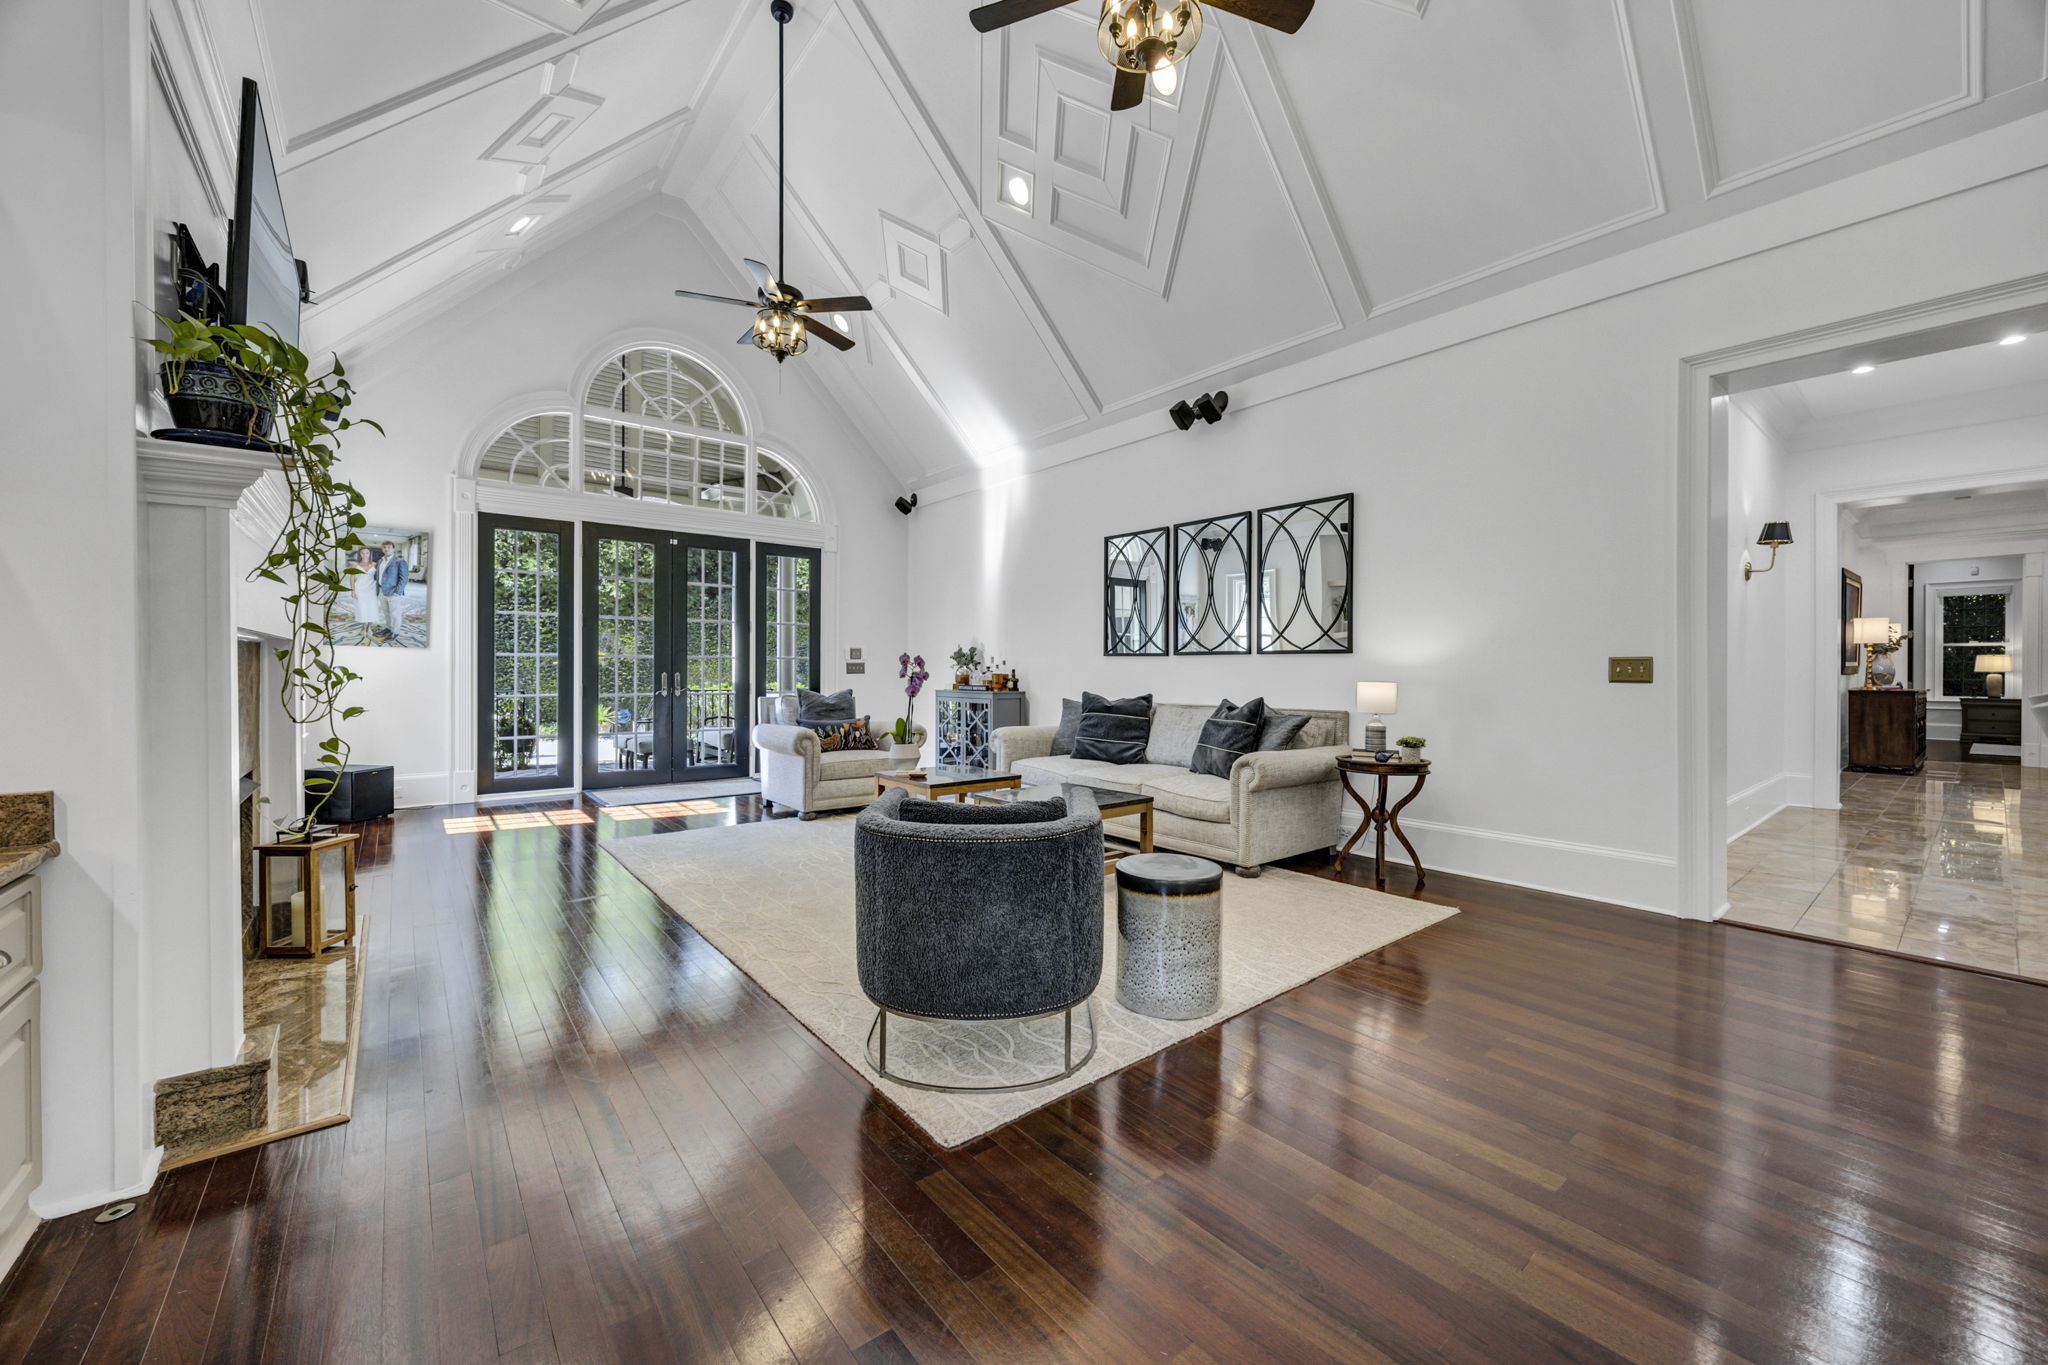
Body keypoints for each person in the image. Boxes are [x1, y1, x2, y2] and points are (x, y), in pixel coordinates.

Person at [376, 539, 410, 642]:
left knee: (395, 614)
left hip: (393, 592)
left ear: (393, 549)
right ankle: (388, 628)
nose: (386, 549)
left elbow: (404, 578)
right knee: (386, 612)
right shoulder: (380, 561)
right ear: (382, 549)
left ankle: (395, 632)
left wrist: (397, 592)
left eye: (389, 547)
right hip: (382, 591)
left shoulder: (400, 561)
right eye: (384, 547)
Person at [348, 546, 382, 643]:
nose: (365, 555)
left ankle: (369, 627)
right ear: (359, 554)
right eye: (362, 553)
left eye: (367, 553)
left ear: (370, 554)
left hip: (372, 590)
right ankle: (363, 627)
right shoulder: (355, 564)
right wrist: (353, 590)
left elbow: (379, 577)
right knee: (361, 608)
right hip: (360, 589)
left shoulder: (375, 564)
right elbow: (351, 578)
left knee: (372, 608)